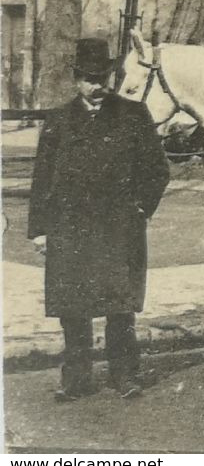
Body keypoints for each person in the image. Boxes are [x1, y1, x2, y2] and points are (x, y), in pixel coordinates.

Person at [27, 38, 170, 400]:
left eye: (103, 77)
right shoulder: (59, 120)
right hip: (69, 228)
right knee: (73, 308)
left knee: (119, 305)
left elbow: (157, 169)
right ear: (76, 79)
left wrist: (141, 207)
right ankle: (75, 380)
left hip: (118, 227)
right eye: (90, 78)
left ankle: (125, 376)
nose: (98, 86)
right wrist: (40, 230)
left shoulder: (133, 114)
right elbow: (42, 177)